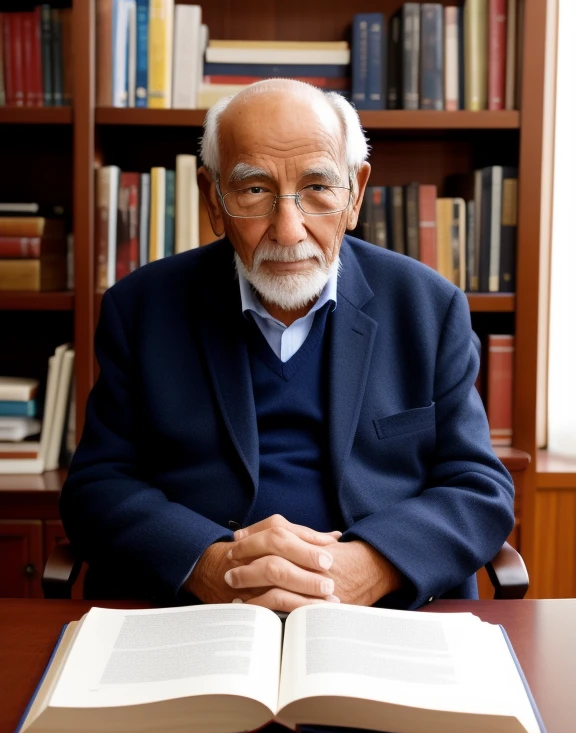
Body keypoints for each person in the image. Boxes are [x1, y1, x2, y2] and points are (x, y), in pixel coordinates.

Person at [60, 79, 514, 610]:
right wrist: (208, 566)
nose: (289, 229)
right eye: (254, 190)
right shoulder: (139, 309)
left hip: (385, 617)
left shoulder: (429, 308)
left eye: (318, 187)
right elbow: (97, 487)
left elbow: (478, 488)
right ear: (213, 198)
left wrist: (371, 566)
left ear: (356, 193)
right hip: (198, 617)